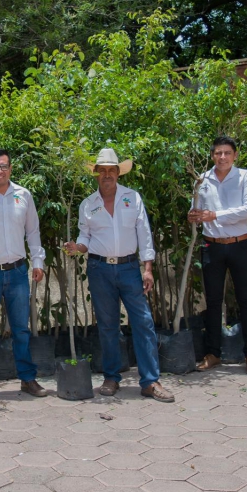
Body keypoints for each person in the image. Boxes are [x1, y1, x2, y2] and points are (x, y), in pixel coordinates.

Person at [64, 148, 174, 402]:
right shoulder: (87, 205)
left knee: (143, 322)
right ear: (96, 174)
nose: (107, 175)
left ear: (118, 173)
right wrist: (77, 248)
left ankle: (150, 381)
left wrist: (147, 269)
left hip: (128, 268)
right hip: (99, 269)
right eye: (102, 171)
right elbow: (85, 238)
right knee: (107, 325)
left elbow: (145, 234)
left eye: (111, 170)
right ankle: (112, 377)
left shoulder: (132, 198)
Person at [0, 149, 47, 400]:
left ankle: (27, 379)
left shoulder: (23, 195)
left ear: (11, 169)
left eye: (3, 166)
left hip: (17, 272)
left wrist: (38, 261)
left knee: (21, 330)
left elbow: (32, 231)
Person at [188, 135, 247, 375]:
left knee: (246, 301)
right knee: (213, 301)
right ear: (212, 155)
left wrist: (215, 215)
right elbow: (196, 208)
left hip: (241, 245)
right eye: (218, 153)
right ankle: (213, 353)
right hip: (212, 246)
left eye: (227, 153)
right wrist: (194, 215)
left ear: (235, 155)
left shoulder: (245, 177)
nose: (222, 157)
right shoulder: (203, 179)